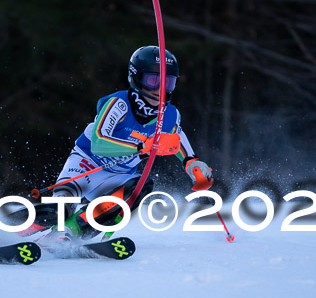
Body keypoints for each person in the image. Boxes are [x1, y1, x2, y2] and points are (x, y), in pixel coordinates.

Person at [18, 45, 214, 241]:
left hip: (118, 175)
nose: (160, 90)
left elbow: (176, 137)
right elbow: (98, 142)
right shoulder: (118, 104)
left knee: (139, 187)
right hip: (87, 164)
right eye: (153, 81)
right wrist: (141, 145)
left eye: (168, 83)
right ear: (136, 78)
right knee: (59, 210)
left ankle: (70, 233)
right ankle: (7, 229)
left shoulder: (170, 114)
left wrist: (191, 163)